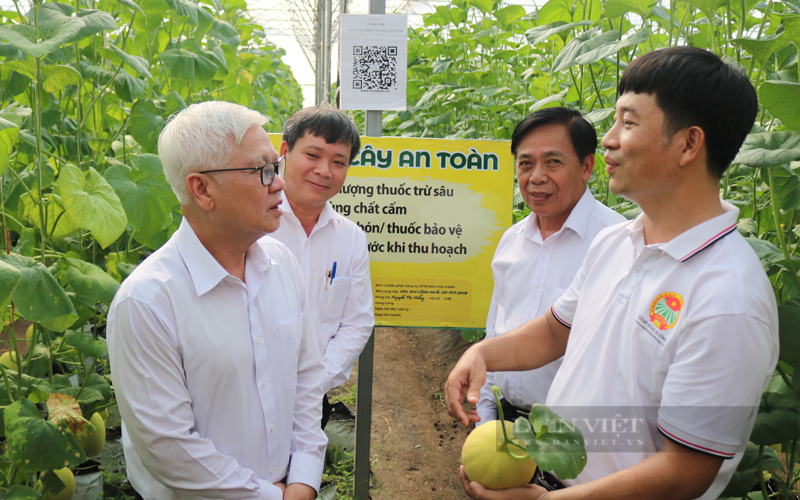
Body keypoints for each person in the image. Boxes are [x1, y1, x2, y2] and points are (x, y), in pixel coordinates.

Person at [445, 47, 778, 500]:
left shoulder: (729, 299)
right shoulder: (616, 242)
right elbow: (554, 331)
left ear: (688, 143)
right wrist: (483, 353)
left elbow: (686, 471)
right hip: (546, 473)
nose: (608, 139)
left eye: (628, 122)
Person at [108, 101, 327, 500]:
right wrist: (271, 496)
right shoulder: (147, 302)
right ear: (202, 189)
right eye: (261, 171)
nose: (278, 183)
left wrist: (305, 476)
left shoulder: (282, 265)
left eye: (273, 167)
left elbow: (307, 377)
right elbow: (169, 447)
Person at [477, 108, 625, 426]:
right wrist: (486, 417)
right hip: (506, 423)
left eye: (553, 162)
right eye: (525, 163)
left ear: (587, 166)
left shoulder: (616, 241)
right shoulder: (511, 241)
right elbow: (495, 333)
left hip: (575, 432)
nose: (536, 177)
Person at [270, 105, 374, 429]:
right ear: (285, 151)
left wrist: (314, 384)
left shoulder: (351, 238)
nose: (324, 170)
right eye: (313, 155)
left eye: (338, 162)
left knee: (303, 476)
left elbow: (357, 322)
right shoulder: (254, 226)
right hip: (247, 395)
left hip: (314, 402)